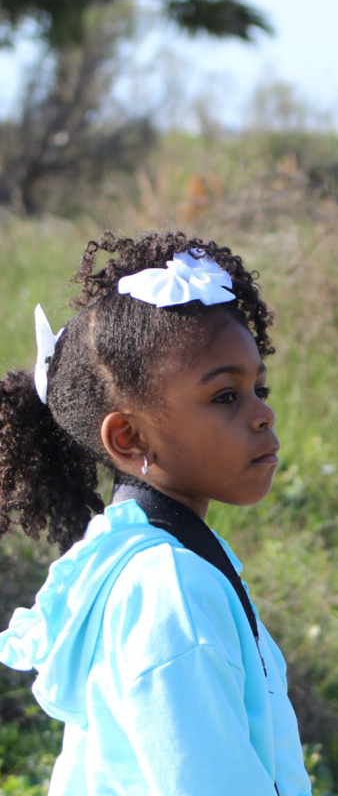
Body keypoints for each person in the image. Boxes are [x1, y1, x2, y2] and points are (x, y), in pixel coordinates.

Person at [0, 232, 310, 796]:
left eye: (258, 387)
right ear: (129, 437)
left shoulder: (150, 555)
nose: (263, 414)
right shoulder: (170, 590)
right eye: (225, 396)